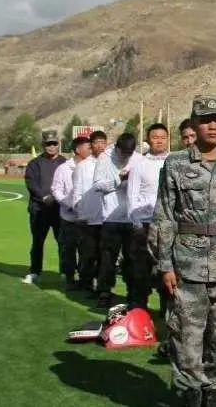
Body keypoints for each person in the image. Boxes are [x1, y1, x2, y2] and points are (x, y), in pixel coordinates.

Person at [154, 95, 216, 407]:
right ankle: (189, 395)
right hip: (187, 268)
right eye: (205, 119)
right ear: (194, 124)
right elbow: (164, 217)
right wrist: (165, 265)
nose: (212, 125)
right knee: (187, 341)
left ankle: (213, 396)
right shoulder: (176, 164)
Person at [93, 132, 143, 308]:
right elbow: (97, 185)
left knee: (132, 258)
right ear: (116, 148)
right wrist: (118, 179)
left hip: (132, 217)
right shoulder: (104, 158)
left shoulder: (139, 159)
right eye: (123, 153)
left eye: (129, 154)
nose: (125, 157)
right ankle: (104, 292)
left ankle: (132, 293)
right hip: (111, 217)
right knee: (108, 257)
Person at [126, 123, 170, 309]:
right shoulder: (139, 165)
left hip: (168, 224)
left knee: (167, 269)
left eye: (162, 137)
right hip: (144, 224)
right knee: (141, 271)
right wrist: (136, 224)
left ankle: (166, 309)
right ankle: (139, 308)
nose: (159, 141)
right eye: (155, 137)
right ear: (148, 140)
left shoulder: (175, 162)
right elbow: (131, 196)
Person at [22, 129, 67, 285]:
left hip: (59, 209)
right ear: (43, 145)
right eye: (48, 144)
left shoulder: (65, 163)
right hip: (39, 210)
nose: (51, 146)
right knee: (37, 242)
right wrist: (44, 197)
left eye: (54, 143)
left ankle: (65, 272)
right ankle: (35, 272)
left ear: (58, 144)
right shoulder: (34, 164)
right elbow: (31, 184)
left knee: (63, 242)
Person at [53, 135, 92, 290]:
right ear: (77, 149)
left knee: (87, 251)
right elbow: (56, 190)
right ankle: (69, 278)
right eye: (88, 147)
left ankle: (85, 280)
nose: (91, 150)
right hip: (69, 218)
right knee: (68, 250)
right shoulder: (63, 168)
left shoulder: (93, 166)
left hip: (87, 218)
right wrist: (68, 204)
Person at [76, 130, 108, 293]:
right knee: (88, 254)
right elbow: (77, 192)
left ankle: (102, 287)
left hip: (107, 218)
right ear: (91, 145)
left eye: (103, 142)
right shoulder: (83, 166)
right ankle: (86, 283)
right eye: (97, 142)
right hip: (89, 219)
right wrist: (81, 214)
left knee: (105, 255)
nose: (101, 146)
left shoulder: (111, 163)